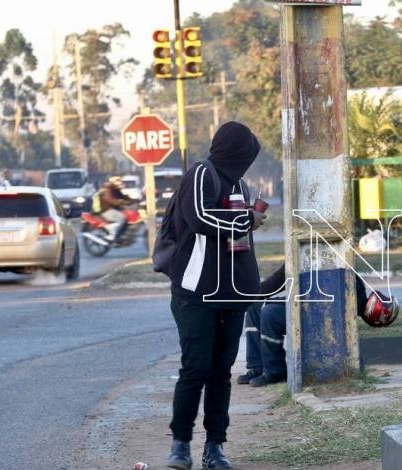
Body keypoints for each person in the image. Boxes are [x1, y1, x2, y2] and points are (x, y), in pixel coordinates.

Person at [165, 121, 267, 470]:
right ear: (234, 151)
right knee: (195, 368)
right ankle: (180, 445)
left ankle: (215, 446)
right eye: (245, 155)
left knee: (221, 371)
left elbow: (237, 245)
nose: (247, 163)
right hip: (195, 292)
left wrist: (250, 284)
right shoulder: (200, 174)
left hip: (231, 294)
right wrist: (245, 220)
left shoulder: (240, 184)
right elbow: (199, 218)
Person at [237, 265, 397, 388]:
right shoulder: (304, 252)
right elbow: (280, 279)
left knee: (270, 314)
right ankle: (256, 367)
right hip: (301, 303)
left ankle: (275, 372)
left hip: (312, 314)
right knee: (254, 306)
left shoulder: (348, 274)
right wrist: (255, 293)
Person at [96, 176, 133, 243]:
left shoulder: (115, 190)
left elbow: (123, 196)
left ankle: (122, 235)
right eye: (118, 183)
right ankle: (114, 236)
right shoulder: (107, 189)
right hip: (106, 210)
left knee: (126, 217)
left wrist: (133, 200)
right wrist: (120, 202)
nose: (120, 184)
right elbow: (110, 200)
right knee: (123, 217)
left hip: (114, 210)